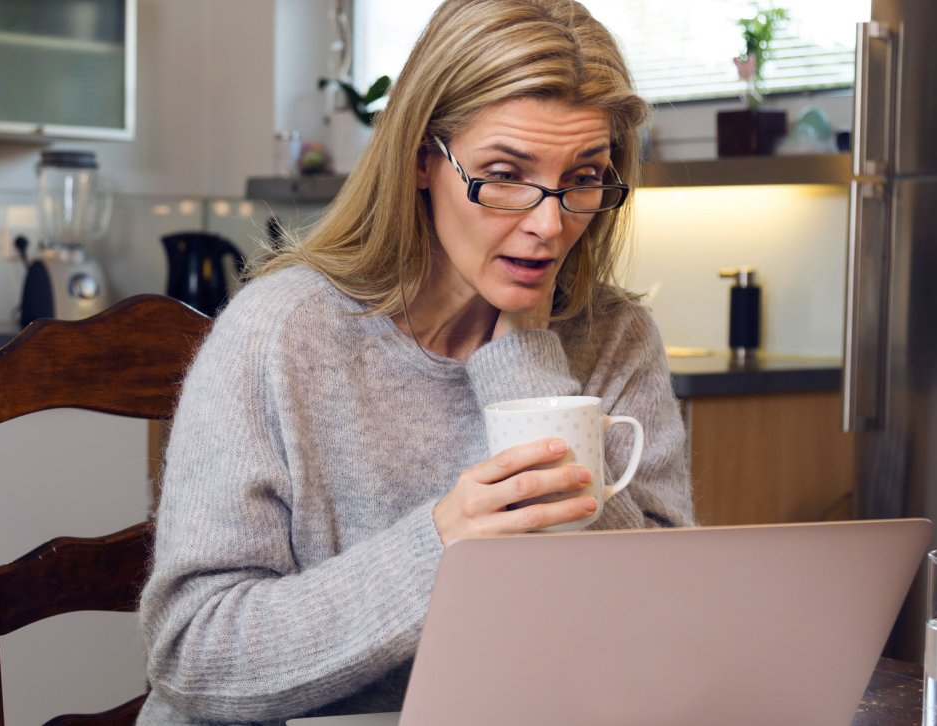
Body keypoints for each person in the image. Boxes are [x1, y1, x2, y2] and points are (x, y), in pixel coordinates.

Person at [137, 0, 694, 722]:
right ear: (423, 161)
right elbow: (193, 653)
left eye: (584, 177)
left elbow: (662, 621)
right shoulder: (280, 334)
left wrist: (524, 358)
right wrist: (441, 550)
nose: (549, 224)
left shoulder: (616, 339)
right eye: (504, 173)